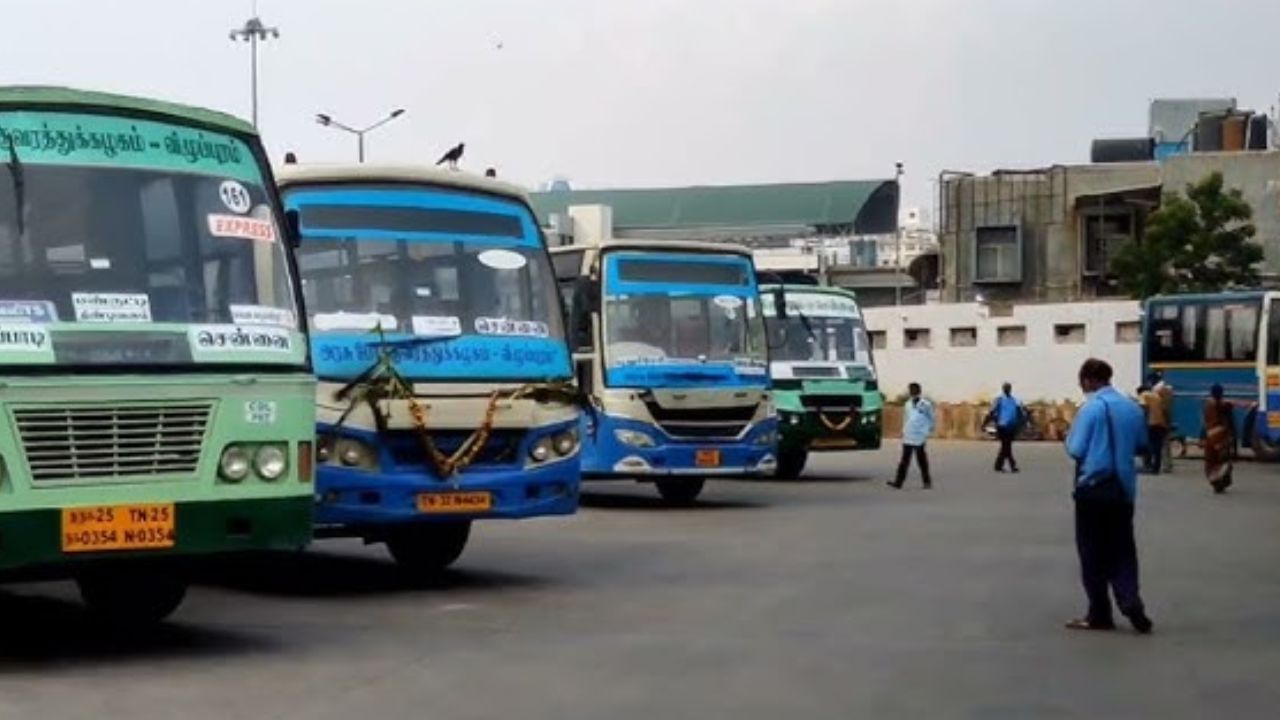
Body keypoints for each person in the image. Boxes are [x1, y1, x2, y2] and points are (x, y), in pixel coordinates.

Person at [1063, 358, 1153, 634]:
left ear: (1089, 380)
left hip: (1092, 489)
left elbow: (1076, 449)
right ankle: (1130, 600)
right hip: (1123, 490)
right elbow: (1141, 445)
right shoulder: (1131, 408)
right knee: (1123, 549)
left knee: (1092, 552)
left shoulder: (1090, 409)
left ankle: (1099, 613)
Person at [889, 382, 935, 489]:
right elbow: (906, 418)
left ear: (919, 391)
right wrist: (903, 431)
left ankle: (927, 482)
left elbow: (931, 418)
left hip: (920, 435)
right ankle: (898, 482)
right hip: (909, 434)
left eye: (914, 390)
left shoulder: (926, 404)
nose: (912, 392)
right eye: (911, 390)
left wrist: (927, 431)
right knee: (904, 460)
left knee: (921, 460)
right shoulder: (907, 404)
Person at [1202, 384, 1236, 494]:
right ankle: (1222, 482)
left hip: (1211, 437)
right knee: (1223, 460)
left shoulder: (1208, 406)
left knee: (1211, 461)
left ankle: (1216, 482)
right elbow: (1230, 423)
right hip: (1222, 437)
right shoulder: (1225, 406)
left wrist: (1202, 437)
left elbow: (1205, 423)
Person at [987, 382, 1025, 473]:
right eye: (1006, 388)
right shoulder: (999, 400)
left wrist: (1021, 424)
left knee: (1006, 446)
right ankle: (1013, 465)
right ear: (1003, 389)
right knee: (1006, 446)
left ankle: (998, 465)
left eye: (1008, 388)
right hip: (1002, 426)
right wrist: (986, 423)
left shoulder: (1015, 400)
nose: (1007, 389)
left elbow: (1020, 413)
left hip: (1012, 426)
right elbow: (991, 412)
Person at [1138, 377, 1171, 474]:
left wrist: (1142, 422)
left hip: (1150, 423)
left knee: (1148, 445)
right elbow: (1164, 410)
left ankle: (1148, 466)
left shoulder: (1144, 395)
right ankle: (1156, 468)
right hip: (1160, 424)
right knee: (1158, 447)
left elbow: (1144, 408)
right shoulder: (1156, 396)